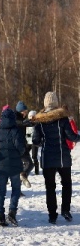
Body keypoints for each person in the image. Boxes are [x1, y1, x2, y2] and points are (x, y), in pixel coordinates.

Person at [32, 92, 80, 224]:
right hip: (63, 157)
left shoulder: (39, 121)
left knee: (50, 187)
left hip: (47, 158)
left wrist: (44, 143)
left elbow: (35, 140)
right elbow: (71, 136)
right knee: (66, 184)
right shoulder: (63, 119)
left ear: (45, 103)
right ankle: (65, 210)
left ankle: (52, 215)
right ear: (56, 102)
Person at [0, 108, 26, 226]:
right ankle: (12, 212)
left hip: (1, 165)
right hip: (15, 165)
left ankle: (0, 216)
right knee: (16, 189)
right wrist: (18, 155)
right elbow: (21, 148)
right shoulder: (16, 131)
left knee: (1, 190)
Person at [15, 101, 33, 188]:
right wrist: (26, 123)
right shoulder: (15, 118)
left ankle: (22, 178)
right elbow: (18, 123)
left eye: (26, 112)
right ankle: (22, 175)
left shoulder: (23, 121)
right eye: (24, 112)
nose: (25, 114)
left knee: (29, 164)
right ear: (19, 111)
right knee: (28, 164)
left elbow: (29, 137)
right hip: (16, 147)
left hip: (23, 147)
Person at [26, 110, 39, 175]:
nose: (31, 118)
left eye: (32, 116)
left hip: (34, 142)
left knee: (34, 156)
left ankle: (37, 169)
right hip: (28, 141)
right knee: (25, 153)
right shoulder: (27, 123)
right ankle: (26, 166)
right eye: (30, 116)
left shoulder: (37, 123)